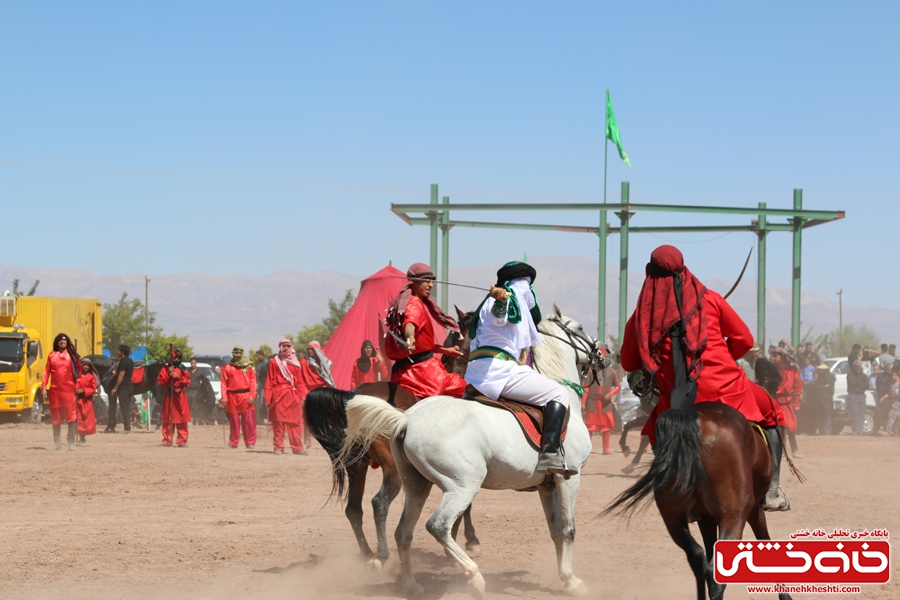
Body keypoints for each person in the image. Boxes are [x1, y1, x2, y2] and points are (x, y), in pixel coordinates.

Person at [619, 245, 788, 511]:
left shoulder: (642, 316)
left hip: (678, 400)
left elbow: (628, 362)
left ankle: (679, 495)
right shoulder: (710, 298)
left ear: (649, 273)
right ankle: (772, 490)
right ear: (684, 268)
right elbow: (744, 340)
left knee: (658, 430)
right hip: (730, 390)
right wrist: (721, 357)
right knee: (774, 413)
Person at [466, 261, 575, 476]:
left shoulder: (495, 302)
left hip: (477, 373)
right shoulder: (501, 302)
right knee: (559, 393)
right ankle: (549, 453)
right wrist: (500, 300)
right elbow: (499, 316)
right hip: (499, 371)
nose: (527, 290)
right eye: (524, 284)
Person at [388, 263, 467, 399]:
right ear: (416, 282)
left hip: (403, 371)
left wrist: (446, 350)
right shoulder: (415, 304)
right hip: (425, 375)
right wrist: (410, 337)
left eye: (432, 281)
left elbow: (421, 346)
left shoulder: (405, 303)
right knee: (464, 388)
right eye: (427, 281)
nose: (431, 285)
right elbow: (410, 324)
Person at [265, 339, 308, 454]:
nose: (285, 348)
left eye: (287, 346)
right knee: (278, 422)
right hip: (278, 395)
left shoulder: (295, 362)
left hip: (293, 395)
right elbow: (269, 380)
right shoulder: (275, 362)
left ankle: (297, 448)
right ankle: (278, 447)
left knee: (295, 423)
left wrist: (302, 395)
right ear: (280, 347)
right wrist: (267, 397)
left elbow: (299, 381)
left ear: (290, 347)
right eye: (283, 346)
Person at [41, 333, 80, 450]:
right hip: (55, 390)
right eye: (60, 340)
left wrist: (78, 386)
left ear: (67, 342)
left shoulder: (72, 357)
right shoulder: (51, 355)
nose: (62, 342)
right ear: (57, 342)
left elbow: (79, 372)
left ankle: (71, 442)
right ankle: (57, 442)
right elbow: (46, 372)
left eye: (64, 340)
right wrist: (44, 387)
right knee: (55, 416)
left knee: (71, 415)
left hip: (69, 390)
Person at [220, 346, 257, 449]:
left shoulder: (248, 366)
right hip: (232, 396)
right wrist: (224, 398)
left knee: (248, 421)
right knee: (234, 421)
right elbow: (223, 383)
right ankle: (233, 442)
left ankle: (250, 442)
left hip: (246, 396)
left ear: (242, 353)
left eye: (239, 352)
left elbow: (253, 382)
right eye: (235, 352)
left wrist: (252, 395)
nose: (237, 353)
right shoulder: (228, 367)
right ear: (232, 353)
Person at [581, 367, 620, 455]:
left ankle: (605, 448)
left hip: (605, 403)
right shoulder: (591, 372)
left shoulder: (612, 372)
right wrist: (583, 402)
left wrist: (610, 394)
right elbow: (586, 387)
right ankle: (587, 448)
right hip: (592, 402)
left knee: (607, 426)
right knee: (589, 426)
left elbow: (618, 386)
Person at [772, 349, 803, 458]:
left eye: (775, 356)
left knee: (790, 426)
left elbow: (797, 387)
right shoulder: (774, 369)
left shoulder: (792, 370)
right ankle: (782, 451)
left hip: (789, 401)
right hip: (777, 400)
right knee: (780, 426)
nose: (773, 358)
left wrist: (796, 402)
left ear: (782, 356)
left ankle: (795, 450)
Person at [157, 349, 192, 447]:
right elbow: (161, 382)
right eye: (174, 357)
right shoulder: (165, 369)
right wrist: (168, 373)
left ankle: (182, 441)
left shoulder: (183, 369)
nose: (176, 359)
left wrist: (178, 377)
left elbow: (188, 382)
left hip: (180, 396)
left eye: (178, 357)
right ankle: (167, 440)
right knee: (168, 417)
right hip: (169, 395)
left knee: (181, 418)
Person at [105, 345, 134, 433]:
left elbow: (121, 376)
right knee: (126, 407)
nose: (117, 352)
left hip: (124, 387)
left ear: (122, 352)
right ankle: (127, 426)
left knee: (124, 407)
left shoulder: (123, 362)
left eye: (119, 351)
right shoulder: (130, 361)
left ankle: (127, 428)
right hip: (129, 385)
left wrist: (115, 388)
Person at [74, 358, 100, 445]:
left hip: (86, 401)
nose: (86, 367)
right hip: (76, 400)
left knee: (84, 420)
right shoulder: (76, 375)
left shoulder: (91, 377)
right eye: (84, 365)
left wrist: (83, 390)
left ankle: (82, 437)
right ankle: (70, 437)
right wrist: (75, 390)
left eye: (87, 365)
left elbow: (93, 388)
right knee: (74, 419)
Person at [809, 363, 835, 435]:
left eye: (822, 370)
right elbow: (815, 387)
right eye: (820, 369)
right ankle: (820, 430)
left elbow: (830, 388)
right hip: (818, 399)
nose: (821, 371)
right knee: (819, 414)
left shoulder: (831, 377)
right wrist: (824, 386)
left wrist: (822, 387)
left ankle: (827, 431)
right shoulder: (818, 377)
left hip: (827, 399)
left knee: (827, 414)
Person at [846, 360, 869, 436]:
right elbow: (852, 383)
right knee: (854, 413)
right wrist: (860, 383)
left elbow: (867, 386)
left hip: (862, 396)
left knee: (861, 414)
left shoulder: (864, 376)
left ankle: (860, 430)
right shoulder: (850, 374)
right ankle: (855, 430)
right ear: (854, 367)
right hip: (853, 396)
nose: (857, 367)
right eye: (856, 366)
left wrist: (857, 384)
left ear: (861, 367)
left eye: (859, 366)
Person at [254, 349, 269, 424]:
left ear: (261, 355)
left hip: (264, 385)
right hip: (260, 385)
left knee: (263, 402)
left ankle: (264, 418)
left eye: (258, 356)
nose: (257, 358)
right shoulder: (260, 363)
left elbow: (265, 375)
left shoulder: (265, 363)